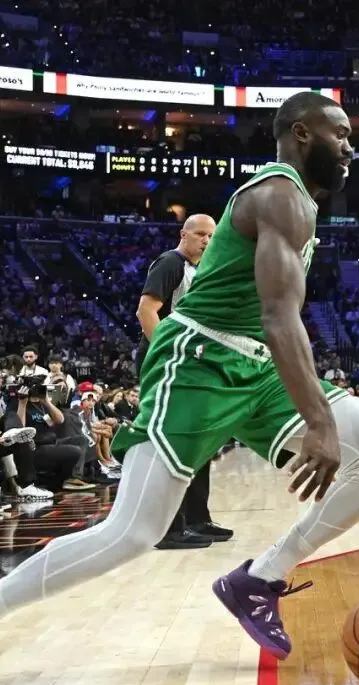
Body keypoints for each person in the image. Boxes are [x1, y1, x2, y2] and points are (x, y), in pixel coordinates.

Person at [0, 92, 359, 685]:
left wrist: (318, 414)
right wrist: (319, 423)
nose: (350, 147)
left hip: (256, 365)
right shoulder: (279, 194)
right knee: (133, 533)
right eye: (341, 134)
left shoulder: (301, 201)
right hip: (199, 361)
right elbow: (281, 317)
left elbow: (274, 323)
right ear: (301, 133)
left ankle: (262, 577)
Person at [134, 213, 230, 549]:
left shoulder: (203, 269)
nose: (206, 240)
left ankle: (197, 518)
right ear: (183, 234)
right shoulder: (170, 263)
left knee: (198, 440)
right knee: (173, 441)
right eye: (200, 234)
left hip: (190, 362)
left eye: (211, 235)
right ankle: (167, 528)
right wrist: (166, 353)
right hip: (165, 360)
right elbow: (146, 311)